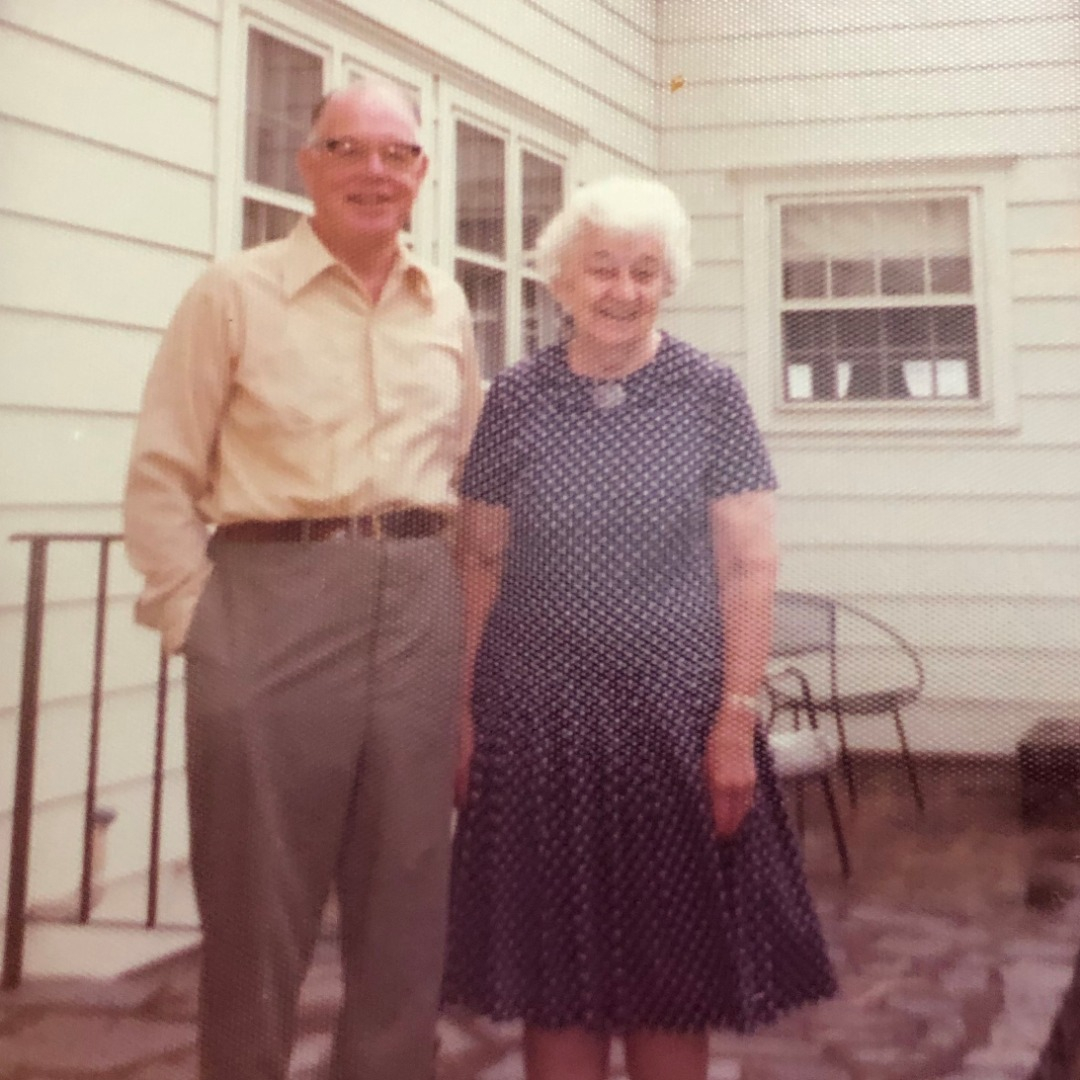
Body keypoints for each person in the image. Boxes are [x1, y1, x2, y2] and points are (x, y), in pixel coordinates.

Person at [123, 79, 481, 1080]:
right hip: (268, 598)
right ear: (306, 164)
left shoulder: (443, 301)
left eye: (397, 153)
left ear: (421, 173)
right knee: (255, 900)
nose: (375, 171)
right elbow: (161, 476)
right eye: (347, 148)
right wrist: (201, 625)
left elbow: (466, 465)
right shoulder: (232, 295)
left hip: (416, 594)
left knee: (408, 891)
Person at [442, 176, 836, 1080]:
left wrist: (736, 717)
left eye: (645, 271)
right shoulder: (517, 398)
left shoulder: (708, 392)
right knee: (558, 979)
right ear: (564, 281)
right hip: (537, 725)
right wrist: (462, 710)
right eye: (603, 269)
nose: (622, 290)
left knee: (670, 977)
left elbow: (749, 561)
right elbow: (478, 559)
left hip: (674, 722)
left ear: (669, 282)